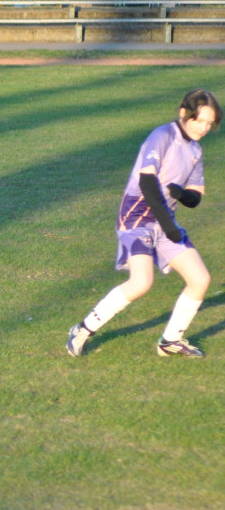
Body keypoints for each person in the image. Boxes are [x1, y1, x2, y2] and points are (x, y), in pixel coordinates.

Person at [67, 89, 222, 358]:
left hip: (165, 219)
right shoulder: (162, 136)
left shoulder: (195, 149)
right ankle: (82, 330)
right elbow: (147, 183)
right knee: (141, 282)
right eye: (200, 120)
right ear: (184, 113)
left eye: (210, 123)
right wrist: (169, 225)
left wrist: (182, 194)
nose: (205, 127)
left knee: (200, 279)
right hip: (137, 215)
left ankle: (170, 341)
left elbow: (195, 198)